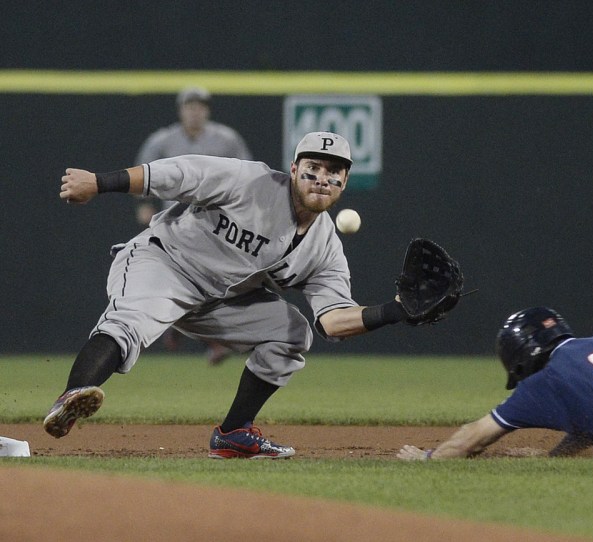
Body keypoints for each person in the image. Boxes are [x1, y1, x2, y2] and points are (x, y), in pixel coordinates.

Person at [44, 131, 433, 459]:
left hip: (218, 301)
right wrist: (99, 182)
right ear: (295, 169)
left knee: (294, 333)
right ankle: (72, 395)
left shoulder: (325, 248)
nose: (322, 177)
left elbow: (333, 320)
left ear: (345, 183)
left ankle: (233, 434)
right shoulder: (250, 181)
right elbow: (175, 174)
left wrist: (397, 311)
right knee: (129, 323)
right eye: (313, 167)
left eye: (334, 171)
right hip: (164, 263)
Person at [398, 307, 593, 469]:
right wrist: (554, 457)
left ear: (520, 358)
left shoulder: (544, 382)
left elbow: (474, 437)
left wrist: (428, 458)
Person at [135, 85, 253, 365]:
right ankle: (202, 334)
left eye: (200, 106)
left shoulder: (226, 139)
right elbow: (143, 173)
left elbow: (248, 175)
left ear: (207, 110)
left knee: (212, 283)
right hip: (174, 224)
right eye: (190, 106)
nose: (195, 111)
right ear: (181, 110)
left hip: (216, 224)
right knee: (185, 281)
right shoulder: (163, 140)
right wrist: (145, 204)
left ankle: (187, 328)